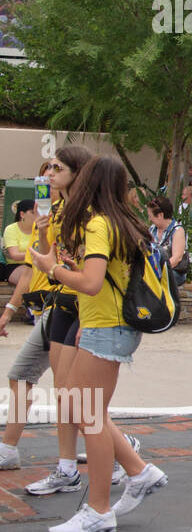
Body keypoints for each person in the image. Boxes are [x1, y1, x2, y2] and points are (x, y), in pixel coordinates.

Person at [28, 156, 168, 532]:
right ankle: (138, 472)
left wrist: (53, 268)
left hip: (106, 327)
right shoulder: (119, 221)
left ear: (89, 183)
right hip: (103, 326)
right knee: (83, 408)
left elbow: (89, 282)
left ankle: (100, 510)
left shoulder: (97, 224)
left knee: (89, 414)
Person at [20, 145, 96, 496]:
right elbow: (48, 260)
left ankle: (118, 453)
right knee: (66, 393)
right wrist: (40, 230)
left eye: (57, 168)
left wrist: (55, 266)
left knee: (78, 395)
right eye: (48, 168)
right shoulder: (61, 209)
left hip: (86, 307)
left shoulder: (90, 213)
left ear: (77, 173)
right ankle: (68, 467)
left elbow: (86, 272)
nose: (49, 174)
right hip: (61, 304)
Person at [2, 198, 36, 288]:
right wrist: (36, 255)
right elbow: (15, 255)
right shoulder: (11, 229)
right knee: (32, 275)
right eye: (33, 213)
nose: (37, 216)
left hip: (38, 265)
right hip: (16, 266)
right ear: (22, 214)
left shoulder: (41, 229)